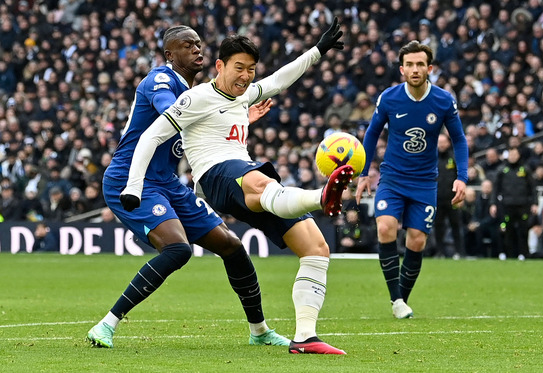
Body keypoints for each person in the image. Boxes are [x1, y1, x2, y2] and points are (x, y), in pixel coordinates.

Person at [121, 19, 349, 354]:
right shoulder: (194, 98)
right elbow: (151, 135)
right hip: (217, 176)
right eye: (238, 68)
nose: (245, 76)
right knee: (259, 179)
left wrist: (317, 51)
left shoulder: (246, 94)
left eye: (251, 69)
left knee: (315, 248)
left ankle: (305, 337)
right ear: (220, 66)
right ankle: (320, 196)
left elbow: (281, 79)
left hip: (245, 178)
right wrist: (133, 186)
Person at [87, 26, 288, 350]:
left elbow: (202, 122)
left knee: (231, 245)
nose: (197, 49)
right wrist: (228, 113)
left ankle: (260, 331)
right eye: (187, 45)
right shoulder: (160, 81)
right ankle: (106, 325)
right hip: (132, 179)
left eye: (198, 44)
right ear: (170, 54)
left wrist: (238, 118)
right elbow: (175, 111)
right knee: (178, 249)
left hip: (166, 181)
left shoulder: (197, 91)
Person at [356, 41, 468, 319]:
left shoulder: (443, 100)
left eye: (421, 64)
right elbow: (371, 135)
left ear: (429, 68)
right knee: (386, 228)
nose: (415, 69)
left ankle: (399, 300)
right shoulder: (389, 98)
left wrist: (461, 177)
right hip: (392, 178)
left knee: (416, 241)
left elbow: (459, 139)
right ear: (402, 69)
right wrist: (363, 173)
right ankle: (397, 300)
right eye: (410, 65)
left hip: (424, 182)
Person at [490, 146, 539, 261]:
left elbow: (533, 188)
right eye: (511, 155)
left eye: (514, 154)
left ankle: (523, 253)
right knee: (507, 230)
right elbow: (496, 189)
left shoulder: (525, 170)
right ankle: (508, 253)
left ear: (518, 155)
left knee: (523, 230)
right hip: (506, 205)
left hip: (523, 205)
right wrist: (493, 204)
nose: (512, 157)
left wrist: (534, 203)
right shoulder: (502, 170)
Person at [432, 133, 464, 259]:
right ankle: (440, 252)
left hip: (453, 199)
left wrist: (460, 195)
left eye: (443, 142)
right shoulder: (432, 159)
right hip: (437, 199)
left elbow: (460, 177)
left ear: (448, 143)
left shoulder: (454, 158)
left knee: (456, 225)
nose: (441, 145)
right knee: (438, 226)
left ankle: (460, 252)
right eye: (439, 142)